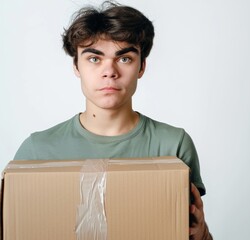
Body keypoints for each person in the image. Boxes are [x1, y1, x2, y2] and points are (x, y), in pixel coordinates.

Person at [14, 1, 212, 239]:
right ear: (76, 66)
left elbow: (190, 230)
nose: (110, 71)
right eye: (94, 59)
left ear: (142, 67)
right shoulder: (37, 151)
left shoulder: (172, 145)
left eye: (124, 58)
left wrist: (202, 234)